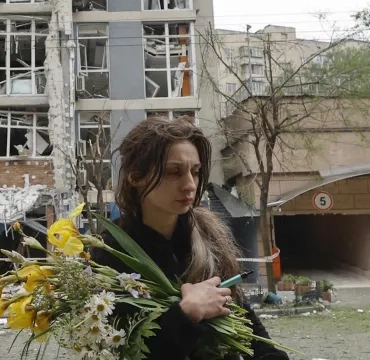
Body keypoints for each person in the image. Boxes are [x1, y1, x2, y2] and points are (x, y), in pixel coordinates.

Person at [91, 116, 288, 360]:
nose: (190, 185)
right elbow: (118, 349)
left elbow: (245, 326)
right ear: (136, 176)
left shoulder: (208, 238)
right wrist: (185, 314)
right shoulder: (109, 255)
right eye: (174, 172)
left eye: (195, 172)